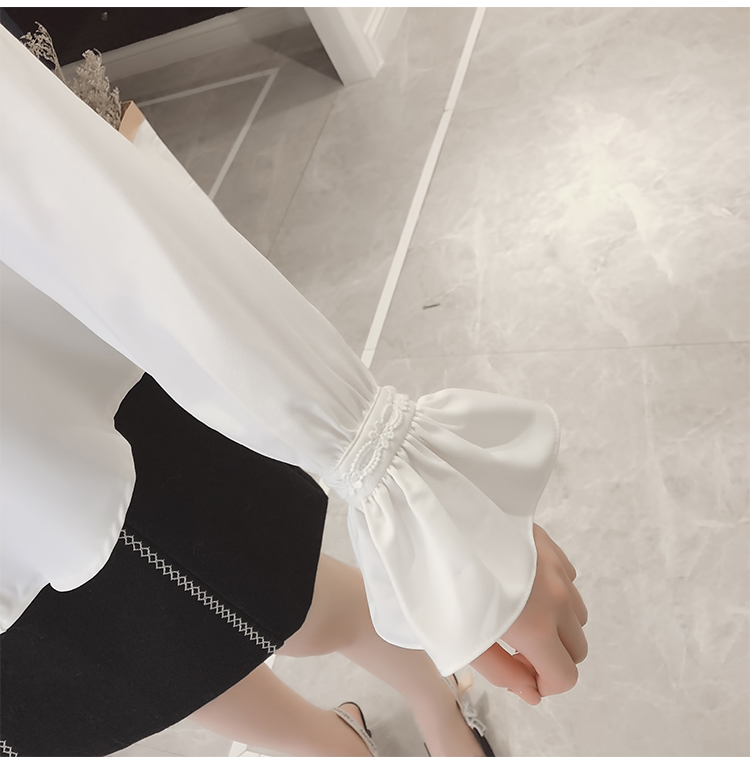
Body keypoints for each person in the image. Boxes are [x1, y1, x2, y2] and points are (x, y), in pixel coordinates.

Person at [0, 25, 587, 757]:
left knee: (280, 601)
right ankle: (337, 745)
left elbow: (44, 177)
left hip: (59, 431)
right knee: (145, 679)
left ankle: (430, 691)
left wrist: (420, 494)